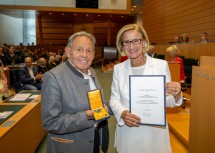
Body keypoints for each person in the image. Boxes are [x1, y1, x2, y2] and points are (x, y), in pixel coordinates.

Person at [109, 24, 182, 153]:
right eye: (126, 42)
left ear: (144, 42)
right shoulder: (118, 69)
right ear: (122, 45)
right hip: (129, 131)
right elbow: (114, 99)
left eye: (136, 41)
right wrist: (123, 114)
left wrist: (176, 95)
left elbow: (167, 100)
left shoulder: (161, 66)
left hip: (154, 133)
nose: (131, 46)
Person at [41, 31, 109, 153]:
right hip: (70, 146)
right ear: (68, 51)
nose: (84, 55)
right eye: (79, 49)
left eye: (89, 50)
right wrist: (86, 118)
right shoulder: (53, 77)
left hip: (94, 140)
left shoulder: (92, 71)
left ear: (94, 54)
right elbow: (50, 122)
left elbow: (97, 102)